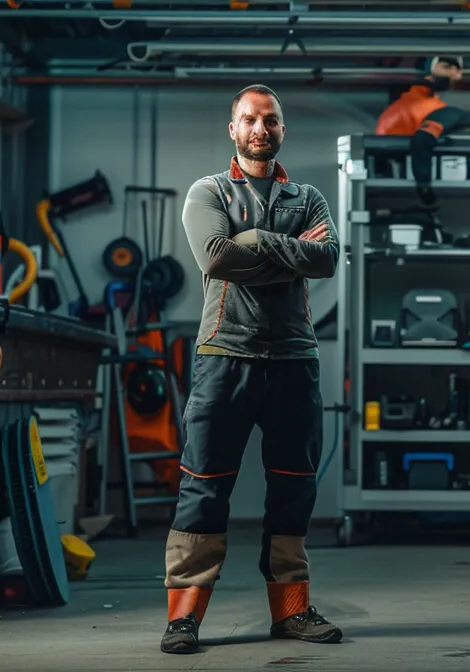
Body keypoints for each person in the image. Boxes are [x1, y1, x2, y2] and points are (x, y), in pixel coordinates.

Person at [162, 83, 344, 655]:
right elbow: (216, 256)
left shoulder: (308, 196)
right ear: (233, 130)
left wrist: (256, 245)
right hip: (225, 357)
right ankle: (184, 619)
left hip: (294, 359)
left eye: (270, 119)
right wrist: (283, 246)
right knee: (205, 485)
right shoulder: (207, 191)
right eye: (249, 119)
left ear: (281, 130)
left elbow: (328, 259)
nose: (260, 128)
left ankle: (290, 613)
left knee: (293, 488)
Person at [375, 56, 470, 206]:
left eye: (456, 70)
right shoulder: (433, 109)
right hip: (398, 165)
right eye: (446, 68)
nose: (455, 75)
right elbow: (422, 139)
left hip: (389, 168)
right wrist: (424, 186)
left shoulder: (415, 103)